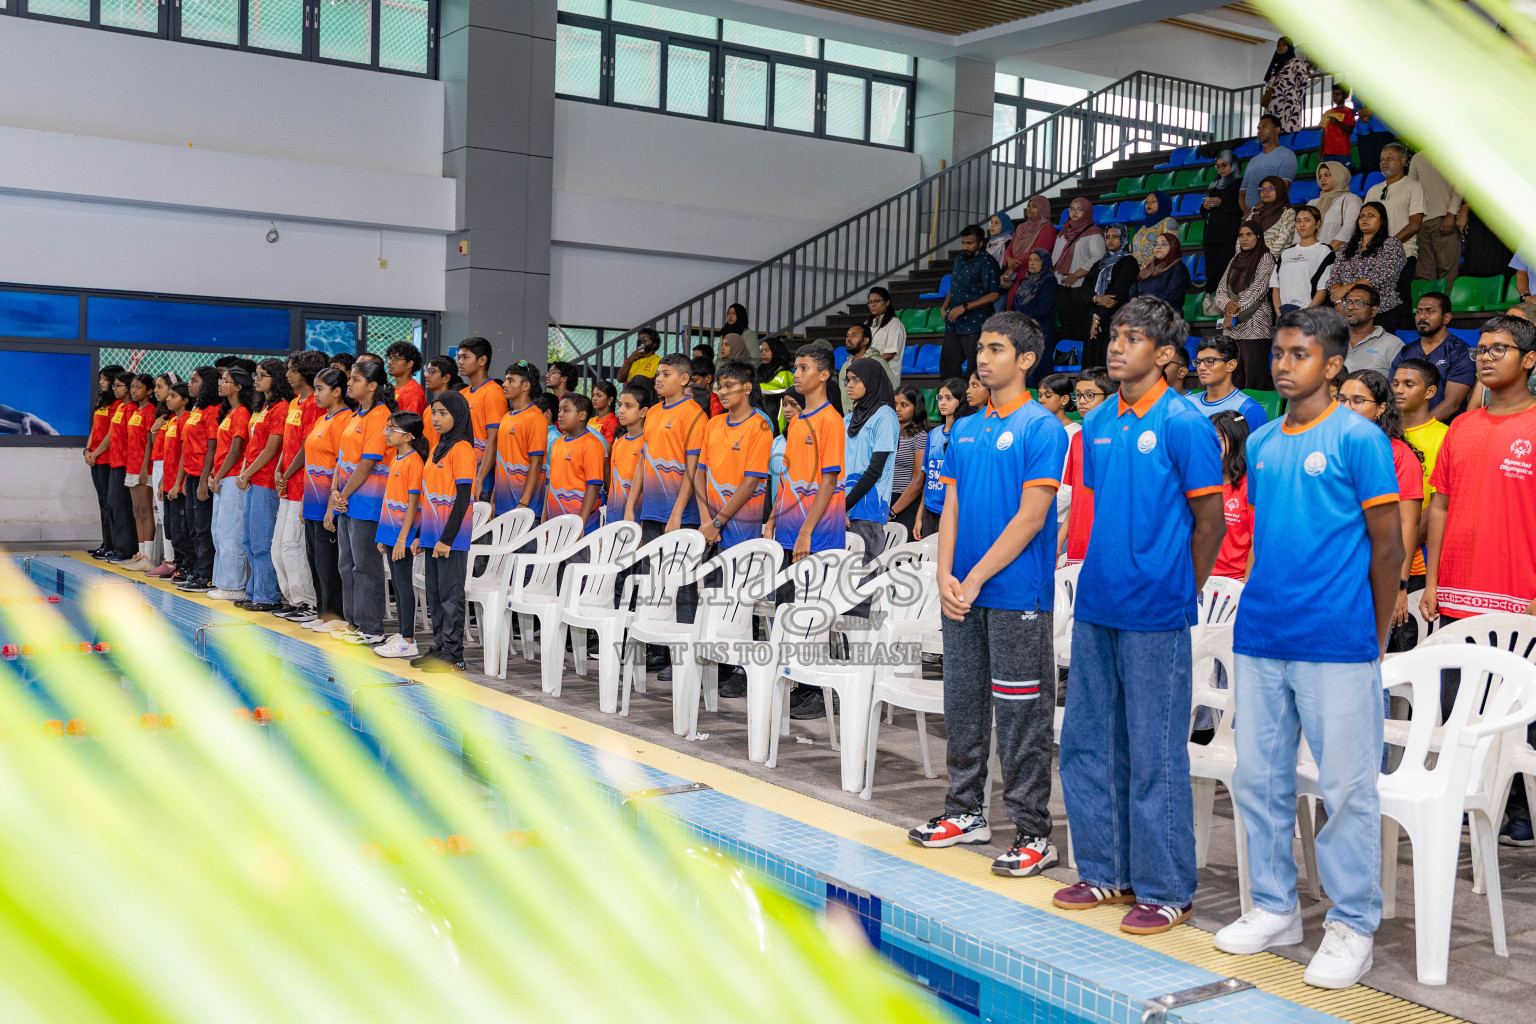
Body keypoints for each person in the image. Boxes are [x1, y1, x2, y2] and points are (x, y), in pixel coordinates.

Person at [1216, 306, 1404, 990]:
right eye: (1281, 353)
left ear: (1332, 364)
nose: (1284, 363)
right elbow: (1275, 536)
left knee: (1347, 787)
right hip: (1263, 633)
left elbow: (1388, 547)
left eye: (1299, 354)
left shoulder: (1359, 439)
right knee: (1259, 779)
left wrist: (1374, 634)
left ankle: (1352, 923)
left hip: (1337, 640)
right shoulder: (1262, 442)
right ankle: (1274, 906)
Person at [1054, 296, 1225, 935]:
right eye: (1115, 336)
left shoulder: (1185, 422)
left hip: (1157, 609)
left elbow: (1208, 519)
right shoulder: (1096, 422)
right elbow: (1108, 508)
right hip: (1099, 601)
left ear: (1164, 354)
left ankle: (1165, 889)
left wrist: (1182, 583)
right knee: (1088, 742)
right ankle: (1104, 871)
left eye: (1133, 338)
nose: (1117, 347)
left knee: (1153, 751)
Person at [910, 311, 1068, 879]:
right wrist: (944, 575)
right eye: (981, 348)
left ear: (1025, 360)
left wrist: (975, 578)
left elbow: (1031, 517)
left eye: (996, 349)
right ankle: (964, 810)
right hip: (962, 593)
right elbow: (948, 507)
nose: (982, 358)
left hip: (1015, 593)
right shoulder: (966, 430)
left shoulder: (1041, 428)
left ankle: (1032, 831)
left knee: (1022, 713)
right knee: (964, 702)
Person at [1421, 316, 1536, 845]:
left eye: (1500, 349)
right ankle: (1467, 798)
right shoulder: (1462, 428)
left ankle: (1517, 809)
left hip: (1519, 598)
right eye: (1482, 349)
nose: (1486, 357)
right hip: (1458, 595)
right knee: (1457, 705)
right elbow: (1439, 505)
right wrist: (1433, 580)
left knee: (1518, 716)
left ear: (1530, 360)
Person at [1340, 369, 1424, 640]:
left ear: (1381, 409)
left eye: (1357, 401)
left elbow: (1407, 523)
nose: (1346, 408)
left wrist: (1400, 585)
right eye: (1341, 400)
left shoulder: (1399, 455)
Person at [637, 353, 707, 673]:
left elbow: (693, 470)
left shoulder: (694, 414)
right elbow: (645, 460)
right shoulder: (651, 412)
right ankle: (660, 650)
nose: (659, 379)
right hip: (651, 509)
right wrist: (633, 506)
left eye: (666, 374)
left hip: (682, 515)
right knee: (657, 583)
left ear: (684, 379)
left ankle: (683, 656)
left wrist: (677, 513)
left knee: (683, 586)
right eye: (658, 374)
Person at [330, 361, 396, 645]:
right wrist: (335, 491)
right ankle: (354, 622)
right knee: (346, 564)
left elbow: (369, 462)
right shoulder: (356, 415)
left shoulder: (381, 417)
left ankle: (371, 627)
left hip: (367, 501)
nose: (349, 384)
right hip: (346, 500)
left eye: (355, 380)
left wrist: (343, 495)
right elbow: (341, 458)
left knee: (365, 566)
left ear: (372, 385)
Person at [412, 390, 478, 673]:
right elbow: (430, 495)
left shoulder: (462, 448)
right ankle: (439, 647)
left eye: (443, 414)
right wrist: (420, 534)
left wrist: (446, 539)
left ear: (458, 415)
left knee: (451, 596)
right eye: (434, 413)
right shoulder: (440, 446)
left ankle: (454, 653)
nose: (436, 419)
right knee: (435, 594)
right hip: (431, 534)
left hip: (450, 537)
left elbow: (463, 497)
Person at [772, 345, 845, 564]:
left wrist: (806, 532)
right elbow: (786, 479)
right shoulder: (795, 421)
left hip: (817, 534)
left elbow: (829, 481)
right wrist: (772, 521)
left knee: (810, 599)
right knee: (785, 599)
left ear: (823, 375)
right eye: (796, 368)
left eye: (804, 368)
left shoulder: (831, 420)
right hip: (787, 530)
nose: (796, 374)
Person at [695, 359, 773, 553]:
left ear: (747, 388)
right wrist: (706, 521)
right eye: (720, 387)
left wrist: (717, 523)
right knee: (712, 583)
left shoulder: (759, 426)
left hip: (741, 530)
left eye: (729, 386)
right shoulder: (713, 424)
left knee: (735, 584)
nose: (722, 392)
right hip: (709, 529)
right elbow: (699, 473)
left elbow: (750, 483)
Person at [270, 350, 326, 622]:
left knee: (294, 548)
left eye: (292, 369)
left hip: (303, 485)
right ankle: (291, 598)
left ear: (304, 372)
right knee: (278, 547)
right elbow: (288, 443)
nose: (287, 374)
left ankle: (307, 602)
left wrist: (289, 471)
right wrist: (280, 468)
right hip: (287, 484)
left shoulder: (314, 405)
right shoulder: (294, 403)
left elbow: (307, 446)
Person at [233, 359, 292, 612]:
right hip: (253, 480)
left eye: (263, 375)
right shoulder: (264, 407)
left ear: (276, 379)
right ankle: (254, 591)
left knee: (262, 541)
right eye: (256, 375)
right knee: (248, 540)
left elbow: (271, 448)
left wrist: (246, 472)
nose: (256, 379)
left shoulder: (281, 408)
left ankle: (267, 595)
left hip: (265, 480)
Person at [372, 411, 427, 660]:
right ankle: (404, 634)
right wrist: (384, 536)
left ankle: (408, 639)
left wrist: (403, 539)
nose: (387, 432)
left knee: (404, 585)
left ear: (408, 436)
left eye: (392, 429)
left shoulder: (414, 462)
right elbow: (391, 501)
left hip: (402, 537)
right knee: (398, 582)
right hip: (392, 534)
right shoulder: (398, 458)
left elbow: (413, 505)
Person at [1391, 358, 1447, 592]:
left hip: (1417, 560)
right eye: (1395, 383)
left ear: (1430, 391)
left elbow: (1438, 504)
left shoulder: (1443, 436)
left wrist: (1399, 547)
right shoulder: (1382, 433)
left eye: (1408, 384)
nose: (1398, 390)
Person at [842, 357, 899, 568]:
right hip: (843, 507)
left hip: (868, 509)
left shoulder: (885, 416)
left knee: (862, 581)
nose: (849, 385)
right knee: (840, 580)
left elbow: (875, 469)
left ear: (871, 381)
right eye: (847, 380)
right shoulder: (848, 420)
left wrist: (843, 505)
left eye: (855, 380)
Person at [1057, 369, 1116, 565]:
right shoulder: (1077, 439)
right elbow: (1077, 497)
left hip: (1109, 540)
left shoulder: (1124, 436)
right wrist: (1059, 540)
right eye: (1079, 395)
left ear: (1112, 397)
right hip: (1077, 539)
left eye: (1090, 395)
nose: (1082, 401)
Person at [206, 368, 255, 601]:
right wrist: (214, 475)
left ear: (238, 387)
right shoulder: (229, 412)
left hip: (233, 478)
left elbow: (236, 450)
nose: (220, 383)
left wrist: (218, 475)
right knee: (218, 531)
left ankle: (235, 585)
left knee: (231, 533)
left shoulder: (242, 413)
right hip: (221, 477)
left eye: (225, 381)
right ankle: (223, 581)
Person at [1389, 291, 1474, 420]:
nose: (1422, 317)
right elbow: (1392, 393)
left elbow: (1452, 404)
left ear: (1446, 318)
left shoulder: (1460, 351)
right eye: (1418, 311)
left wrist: (1419, 428)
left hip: (1442, 430)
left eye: (1429, 311)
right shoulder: (1406, 350)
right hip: (1404, 426)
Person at [1213, 223, 1278, 387]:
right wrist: (1227, 305)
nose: (1244, 238)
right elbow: (1221, 288)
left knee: (1254, 376)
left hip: (1255, 324)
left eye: (1249, 234)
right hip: (1232, 327)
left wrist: (1232, 312)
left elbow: (1258, 290)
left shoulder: (1265, 257)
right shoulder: (1235, 259)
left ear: (1258, 237)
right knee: (1233, 375)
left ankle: (1253, 411)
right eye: (1241, 235)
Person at [174, 368, 220, 592]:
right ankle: (197, 569)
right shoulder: (196, 408)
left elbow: (212, 447)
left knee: (203, 527)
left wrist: (204, 480)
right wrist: (185, 479)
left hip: (202, 475)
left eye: (194, 381)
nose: (189, 384)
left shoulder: (213, 410)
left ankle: (206, 575)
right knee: (192, 525)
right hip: (191, 475)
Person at [1328, 204, 1408, 331]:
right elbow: (1334, 277)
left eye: (1371, 215)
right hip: (1348, 310)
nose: (1365, 219)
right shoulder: (1347, 247)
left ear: (1382, 221)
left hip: (1381, 309)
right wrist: (1339, 302)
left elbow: (1382, 274)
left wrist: (1345, 289)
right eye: (1362, 216)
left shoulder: (1392, 244)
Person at [1363, 143, 1425, 308]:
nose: (1384, 163)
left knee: (1400, 301)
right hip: (1375, 257)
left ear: (1403, 161)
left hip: (1403, 253)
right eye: (1382, 159)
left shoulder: (1413, 186)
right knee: (1374, 303)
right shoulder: (1373, 190)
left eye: (1390, 159)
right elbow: (1365, 224)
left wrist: (1388, 245)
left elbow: (1415, 224)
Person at [939, 225, 1003, 380]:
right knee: (948, 366)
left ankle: (973, 402)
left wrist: (965, 307)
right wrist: (944, 307)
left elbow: (994, 295)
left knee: (975, 369)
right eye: (963, 243)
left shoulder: (988, 262)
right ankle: (951, 400)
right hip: (954, 322)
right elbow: (954, 285)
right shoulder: (959, 259)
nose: (965, 247)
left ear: (980, 243)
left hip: (976, 324)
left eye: (970, 243)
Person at [915, 378, 970, 542]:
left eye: (949, 398)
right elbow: (927, 477)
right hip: (929, 510)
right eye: (940, 398)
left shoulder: (965, 434)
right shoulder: (934, 434)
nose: (942, 403)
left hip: (953, 511)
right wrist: (919, 515)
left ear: (960, 401)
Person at [456, 337, 508, 503]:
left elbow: (494, 440)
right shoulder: (463, 394)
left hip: (483, 484)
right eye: (459, 357)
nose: (460, 362)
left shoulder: (493, 392)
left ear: (482, 360)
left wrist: (479, 480)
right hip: (463, 479)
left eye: (465, 357)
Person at [493, 361, 548, 518]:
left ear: (526, 386)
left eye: (511, 380)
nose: (504, 384)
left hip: (525, 509)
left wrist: (524, 503)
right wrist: (493, 500)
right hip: (502, 506)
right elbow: (500, 462)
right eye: (506, 379)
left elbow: (536, 463)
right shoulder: (505, 417)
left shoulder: (535, 418)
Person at [545, 393, 605, 534]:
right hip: (555, 521)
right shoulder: (557, 443)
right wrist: (545, 520)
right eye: (559, 410)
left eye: (566, 410)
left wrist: (581, 524)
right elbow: (550, 483)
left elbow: (593, 486)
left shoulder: (592, 444)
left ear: (582, 415)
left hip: (581, 523)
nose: (560, 414)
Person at [85, 364, 127, 560]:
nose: (100, 382)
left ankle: (112, 544)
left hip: (108, 459)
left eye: (103, 379)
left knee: (110, 504)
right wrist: (87, 450)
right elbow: (95, 429)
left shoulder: (118, 405)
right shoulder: (102, 401)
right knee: (102, 501)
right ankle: (106, 542)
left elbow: (112, 434)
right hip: (95, 457)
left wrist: (97, 452)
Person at [1052, 197, 1107, 342]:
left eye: (1079, 209)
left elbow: (1098, 258)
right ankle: (1069, 357)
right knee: (1065, 324)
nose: (1074, 212)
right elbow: (1055, 257)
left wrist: (1075, 275)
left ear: (1087, 211)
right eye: (1072, 209)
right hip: (1062, 285)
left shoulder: (1094, 233)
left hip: (1081, 286)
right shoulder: (1063, 232)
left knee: (1079, 325)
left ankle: (1081, 359)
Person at [1208, 410, 1253, 580]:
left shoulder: (1249, 488)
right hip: (1198, 580)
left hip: (1233, 584)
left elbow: (1257, 546)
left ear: (1235, 442)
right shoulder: (1199, 483)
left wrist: (1243, 591)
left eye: (1217, 440)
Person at [1085, 225, 1139, 365]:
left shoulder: (1129, 262)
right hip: (1094, 320)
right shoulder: (1099, 264)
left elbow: (1117, 293)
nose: (1110, 240)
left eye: (1115, 236)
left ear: (1123, 238)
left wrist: (1098, 317)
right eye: (1107, 237)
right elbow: (1084, 288)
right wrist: (1097, 299)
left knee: (1111, 365)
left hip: (1115, 320)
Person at [119, 375, 157, 570]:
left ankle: (148, 556)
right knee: (136, 511)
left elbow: (149, 444)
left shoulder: (151, 411)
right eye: (132, 387)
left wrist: (144, 467)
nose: (133, 391)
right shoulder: (135, 410)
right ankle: (140, 553)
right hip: (131, 466)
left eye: (138, 387)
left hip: (144, 468)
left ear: (149, 391)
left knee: (145, 509)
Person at [1191, 336, 1269, 428]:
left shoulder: (1248, 410)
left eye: (1209, 361)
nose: (1201, 367)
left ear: (1231, 365)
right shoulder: (1188, 402)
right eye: (1198, 362)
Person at [1406, 152, 1461, 283]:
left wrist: (1451, 213)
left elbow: (1460, 188)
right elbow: (1411, 190)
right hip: (1420, 223)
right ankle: (1427, 303)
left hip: (1444, 219)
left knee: (1448, 270)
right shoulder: (1418, 157)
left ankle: (1447, 303)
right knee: (1424, 273)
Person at [156, 384, 192, 579]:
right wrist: (163, 481)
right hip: (169, 482)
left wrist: (178, 483)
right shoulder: (172, 421)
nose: (168, 399)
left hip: (178, 485)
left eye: (173, 396)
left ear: (185, 400)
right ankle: (178, 565)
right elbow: (168, 456)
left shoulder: (185, 420)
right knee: (171, 529)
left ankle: (185, 566)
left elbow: (183, 456)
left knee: (181, 531)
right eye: (168, 396)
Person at [1036, 373, 1080, 532]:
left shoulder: (1075, 434)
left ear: (1065, 400)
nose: (1041, 400)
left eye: (1048, 395)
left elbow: (1069, 489)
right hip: (1034, 513)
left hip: (1058, 519)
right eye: (1040, 395)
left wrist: (1038, 512)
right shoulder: (1038, 432)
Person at [1270, 206, 1333, 315]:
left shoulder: (1324, 251)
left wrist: (1305, 313)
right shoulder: (1286, 252)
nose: (1302, 224)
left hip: (1310, 314)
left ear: (1318, 224)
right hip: (1284, 312)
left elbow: (1323, 288)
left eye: (1307, 220)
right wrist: (1279, 312)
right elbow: (1275, 285)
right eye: (1298, 221)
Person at [1008, 249, 1060, 378]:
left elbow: (1044, 308)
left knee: (1038, 366)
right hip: (1021, 331)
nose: (1032, 263)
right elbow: (1015, 304)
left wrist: (1022, 320)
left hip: (1040, 330)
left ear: (1045, 263)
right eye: (1030, 260)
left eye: (1036, 260)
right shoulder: (1024, 281)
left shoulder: (1049, 281)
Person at [1335, 284, 1404, 375]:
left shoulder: (1393, 344)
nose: (1350, 307)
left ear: (1374, 311)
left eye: (1359, 303)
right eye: (1348, 302)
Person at [1004, 196, 1059, 309]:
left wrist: (1015, 263)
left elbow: (1038, 251)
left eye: (1034, 207)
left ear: (1042, 209)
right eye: (1028, 206)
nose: (1029, 209)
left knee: (1027, 316)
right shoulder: (1020, 227)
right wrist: (1008, 260)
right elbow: (1009, 248)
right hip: (1015, 275)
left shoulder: (1048, 228)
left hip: (1032, 278)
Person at [888, 386, 929, 538]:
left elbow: (918, 481)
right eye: (895, 404)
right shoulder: (887, 432)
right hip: (885, 498)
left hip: (905, 502)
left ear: (916, 407)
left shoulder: (920, 436)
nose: (898, 409)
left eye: (904, 405)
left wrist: (893, 511)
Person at [610, 381, 653, 524]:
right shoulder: (618, 443)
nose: (621, 410)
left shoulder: (648, 443)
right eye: (620, 404)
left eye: (628, 406)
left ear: (643, 411)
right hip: (614, 517)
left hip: (637, 518)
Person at [1202, 151, 1244, 295]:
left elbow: (1241, 208)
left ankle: (1228, 305)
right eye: (1217, 166)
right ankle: (1213, 304)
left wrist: (1221, 202)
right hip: (1211, 236)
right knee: (1212, 272)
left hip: (1228, 236)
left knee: (1228, 272)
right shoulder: (1215, 183)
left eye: (1224, 165)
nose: (1220, 169)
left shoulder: (1240, 183)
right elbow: (1204, 211)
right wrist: (1205, 206)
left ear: (1233, 165)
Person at [1239, 115, 1297, 215]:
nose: (1260, 130)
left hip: (1273, 215)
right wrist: (1246, 212)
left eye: (1265, 126)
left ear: (1277, 130)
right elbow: (1242, 192)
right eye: (1258, 128)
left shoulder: (1287, 155)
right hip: (1250, 218)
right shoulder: (1253, 160)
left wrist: (1256, 210)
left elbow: (1282, 187)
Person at [1260, 37, 1309, 133]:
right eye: (1278, 45)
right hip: (1273, 103)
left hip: (1288, 102)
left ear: (1289, 47)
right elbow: (1269, 82)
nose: (1280, 47)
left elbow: (1304, 82)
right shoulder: (1275, 64)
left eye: (1283, 45)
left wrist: (1295, 96)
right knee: (1271, 129)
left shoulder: (1296, 62)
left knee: (1286, 128)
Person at [1130, 233, 1190, 307]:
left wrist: (1147, 305)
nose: (1158, 247)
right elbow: (1134, 286)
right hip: (1144, 313)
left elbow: (1171, 295)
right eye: (1155, 244)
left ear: (1172, 247)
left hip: (1167, 314)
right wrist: (1133, 298)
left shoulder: (1179, 268)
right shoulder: (1149, 267)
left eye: (1163, 244)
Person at [1314, 161, 1362, 251]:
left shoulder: (1351, 200)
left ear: (1339, 176)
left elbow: (1347, 232)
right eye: (1320, 176)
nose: (1322, 179)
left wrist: (1324, 254)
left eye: (1327, 175)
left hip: (1336, 257)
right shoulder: (1312, 203)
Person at [1248, 176, 1297, 259]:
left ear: (1279, 190)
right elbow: (1241, 242)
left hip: (1276, 263)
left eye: (1270, 189)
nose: (1265, 192)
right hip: (1250, 261)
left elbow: (1277, 248)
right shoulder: (1254, 213)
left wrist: (1254, 257)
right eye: (1262, 189)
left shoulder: (1288, 213)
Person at [865, 287, 905, 386]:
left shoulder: (894, 323)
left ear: (887, 303)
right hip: (867, 375)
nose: (872, 305)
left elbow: (890, 353)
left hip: (886, 377)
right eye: (870, 302)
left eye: (876, 301)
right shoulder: (868, 324)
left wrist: (869, 366)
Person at [1352, 101, 1395, 190]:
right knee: (1367, 168)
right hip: (1363, 130)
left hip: (1383, 128)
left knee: (1385, 166)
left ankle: (1388, 194)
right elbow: (1356, 102)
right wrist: (1359, 110)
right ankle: (1370, 196)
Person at [1129, 192, 1178, 268]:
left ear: (1162, 203)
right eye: (1147, 202)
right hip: (1138, 272)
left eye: (1153, 201)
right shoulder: (1142, 226)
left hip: (1158, 270)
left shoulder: (1168, 222)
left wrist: (1147, 266)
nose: (1148, 204)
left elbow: (1169, 249)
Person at [1320, 84, 1356, 170]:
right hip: (1328, 152)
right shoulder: (1327, 112)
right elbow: (1324, 132)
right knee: (1331, 177)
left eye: (1338, 94)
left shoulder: (1349, 112)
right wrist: (1321, 150)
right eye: (1334, 95)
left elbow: (1350, 130)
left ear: (1345, 96)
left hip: (1343, 152)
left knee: (1345, 175)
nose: (1335, 97)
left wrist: (1338, 123)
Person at [386, 342, 426, 415]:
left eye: (395, 358)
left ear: (409, 364)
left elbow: (409, 424)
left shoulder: (413, 391)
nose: (389, 362)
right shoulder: (393, 388)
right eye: (390, 358)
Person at [589, 380, 620, 446]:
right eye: (593, 395)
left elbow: (607, 452)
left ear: (610, 400)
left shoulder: (612, 421)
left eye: (599, 396)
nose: (594, 398)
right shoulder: (592, 420)